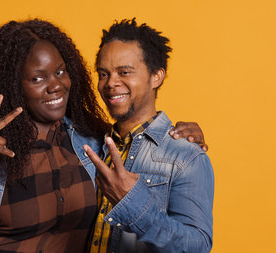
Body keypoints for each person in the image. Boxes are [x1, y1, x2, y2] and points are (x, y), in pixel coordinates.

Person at [0, 19, 206, 253]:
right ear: (14, 85)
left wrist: (179, 136)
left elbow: (140, 135)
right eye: (38, 78)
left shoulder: (90, 142)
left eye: (60, 72)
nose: (56, 86)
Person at [83, 19, 215, 253]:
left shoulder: (185, 156)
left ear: (156, 76)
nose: (111, 83)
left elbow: (197, 246)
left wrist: (132, 205)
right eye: (103, 74)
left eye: (124, 72)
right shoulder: (88, 143)